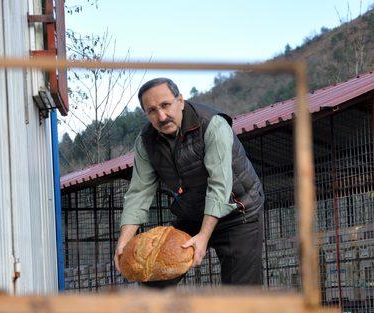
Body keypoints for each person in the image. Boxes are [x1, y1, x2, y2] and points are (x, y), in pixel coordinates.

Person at [113, 78, 265, 287]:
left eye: (166, 105)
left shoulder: (213, 125)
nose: (162, 116)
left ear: (180, 101)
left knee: (241, 293)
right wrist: (125, 239)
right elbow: (139, 191)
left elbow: (219, 184)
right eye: (152, 111)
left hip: (238, 212)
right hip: (192, 212)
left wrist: (203, 236)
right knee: (153, 282)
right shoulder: (145, 142)